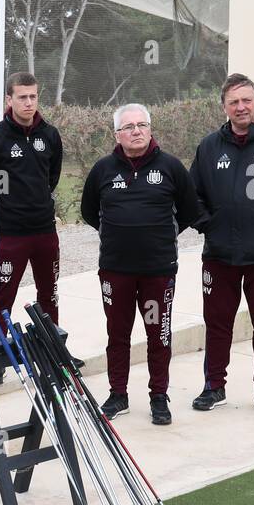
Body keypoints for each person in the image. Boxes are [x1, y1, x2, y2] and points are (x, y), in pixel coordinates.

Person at [81, 103, 203, 426]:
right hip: (115, 271)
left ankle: (158, 396)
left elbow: (190, 211)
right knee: (117, 334)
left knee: (157, 335)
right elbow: (90, 212)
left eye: (142, 125)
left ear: (150, 129)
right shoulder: (103, 170)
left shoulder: (171, 168)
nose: (136, 131)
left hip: (157, 273)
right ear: (117, 134)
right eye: (128, 127)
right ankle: (117, 394)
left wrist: (159, 237)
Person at [189, 73, 254, 417]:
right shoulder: (208, 146)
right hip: (219, 255)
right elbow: (193, 195)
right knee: (218, 324)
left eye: (246, 100)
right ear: (224, 107)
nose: (240, 107)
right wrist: (207, 223)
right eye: (233, 101)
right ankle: (214, 386)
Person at [0, 71, 63, 383]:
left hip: (44, 231)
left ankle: (52, 354)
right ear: (9, 100)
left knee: (49, 294)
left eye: (33, 96)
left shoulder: (50, 135)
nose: (29, 103)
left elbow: (52, 177)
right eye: (22, 97)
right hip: (11, 235)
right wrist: (4, 216)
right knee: (3, 297)